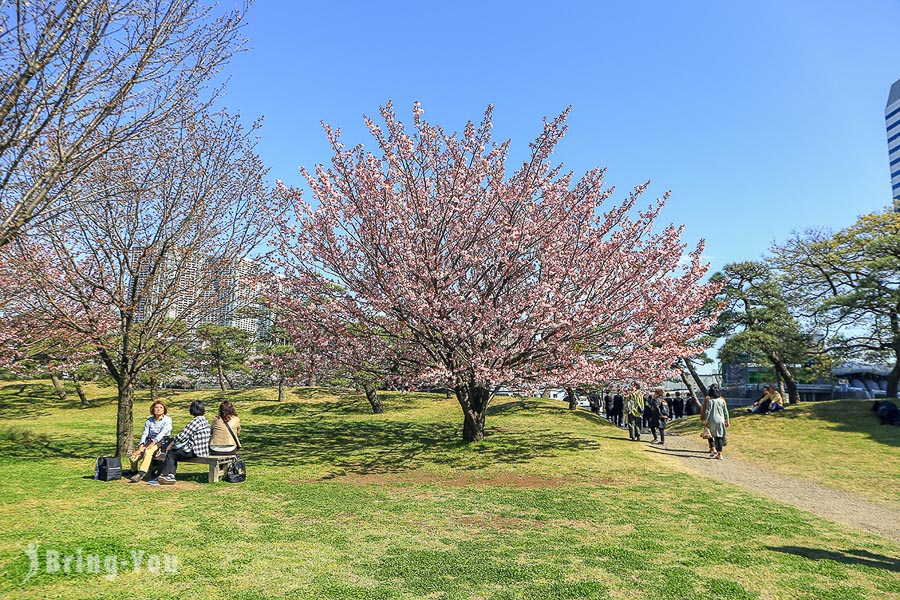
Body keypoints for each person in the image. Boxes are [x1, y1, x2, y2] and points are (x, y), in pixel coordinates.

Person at [152, 400, 211, 485]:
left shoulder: (195, 421)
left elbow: (182, 436)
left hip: (195, 451)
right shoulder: (205, 420)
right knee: (175, 453)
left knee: (171, 453)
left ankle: (163, 475)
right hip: (203, 450)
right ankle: (171, 475)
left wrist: (172, 443)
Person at [128, 400, 172, 483]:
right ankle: (133, 471)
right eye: (156, 407)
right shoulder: (149, 421)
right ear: (153, 409)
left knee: (148, 451)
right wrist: (140, 447)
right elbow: (145, 434)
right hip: (149, 441)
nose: (158, 409)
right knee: (133, 458)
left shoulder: (167, 420)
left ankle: (141, 473)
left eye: (161, 408)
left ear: (164, 410)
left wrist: (152, 444)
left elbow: (162, 434)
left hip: (161, 442)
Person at [703, 384, 730, 460]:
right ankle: (720, 454)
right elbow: (726, 411)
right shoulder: (722, 400)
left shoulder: (710, 400)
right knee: (719, 437)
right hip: (721, 420)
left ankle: (713, 449)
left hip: (712, 420)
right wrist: (727, 420)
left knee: (710, 434)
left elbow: (707, 411)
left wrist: (706, 420)